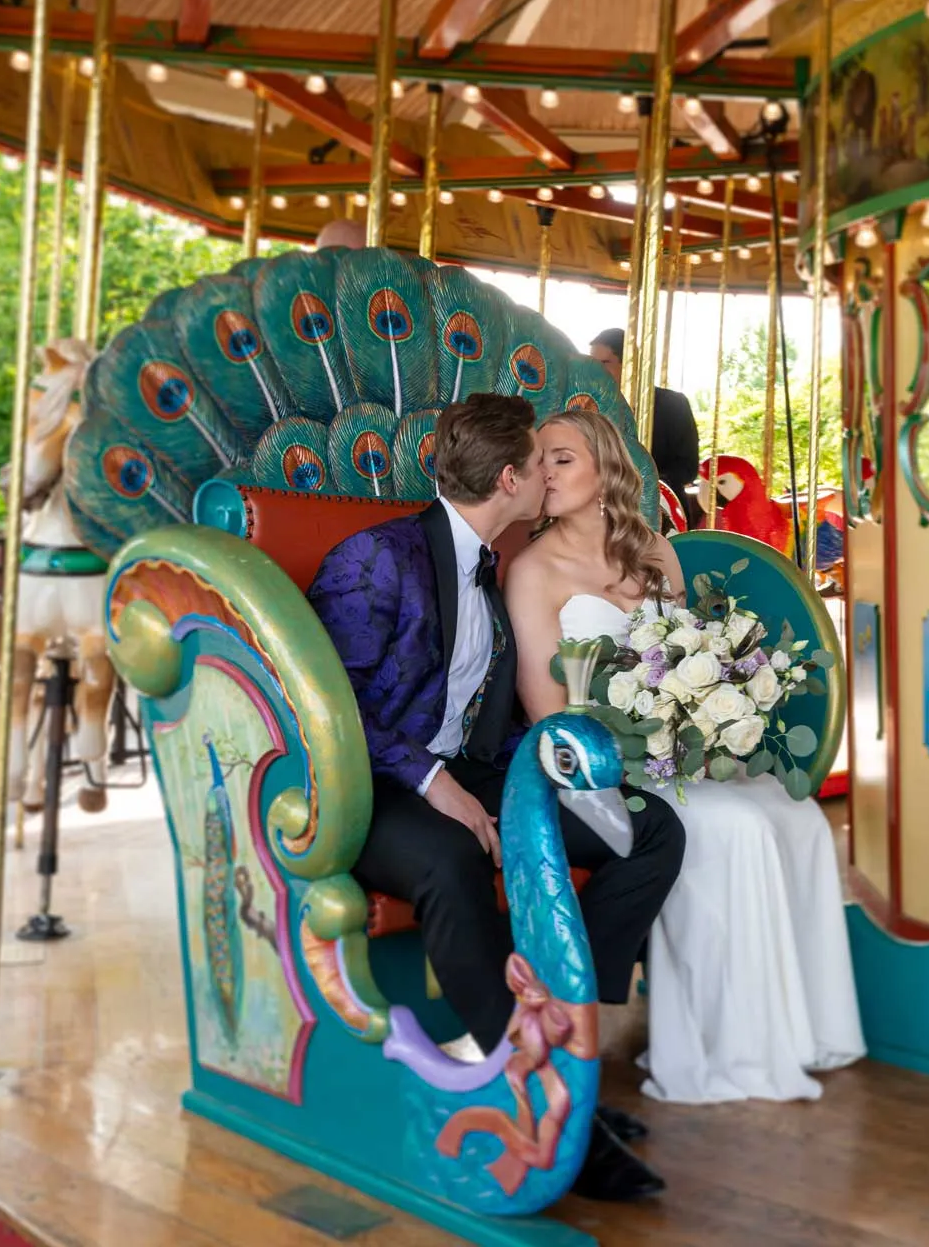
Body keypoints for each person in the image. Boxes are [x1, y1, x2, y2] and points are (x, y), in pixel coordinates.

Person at [306, 393, 682, 1202]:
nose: (550, 477)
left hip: (470, 768)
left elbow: (496, 712)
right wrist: (432, 782)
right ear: (510, 479)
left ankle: (567, 1036)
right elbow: (330, 708)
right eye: (541, 464)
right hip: (369, 782)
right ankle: (532, 1092)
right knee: (451, 859)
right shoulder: (376, 557)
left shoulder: (498, 565)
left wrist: (560, 776)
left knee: (646, 829)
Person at [504, 407, 865, 1105]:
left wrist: (702, 720)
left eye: (562, 458)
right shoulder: (532, 570)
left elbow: (685, 659)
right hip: (597, 768)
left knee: (796, 818)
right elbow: (547, 714)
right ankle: (722, 1046)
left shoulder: (655, 552)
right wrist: (640, 741)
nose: (544, 471)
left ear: (606, 468)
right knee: (738, 826)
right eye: (537, 458)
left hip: (674, 755)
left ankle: (806, 1031)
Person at [588, 328, 702, 529]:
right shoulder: (590, 408)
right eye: (592, 364)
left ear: (629, 364)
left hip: (660, 509)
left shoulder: (672, 405)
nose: (596, 371)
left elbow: (688, 467)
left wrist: (644, 480)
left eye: (605, 363)